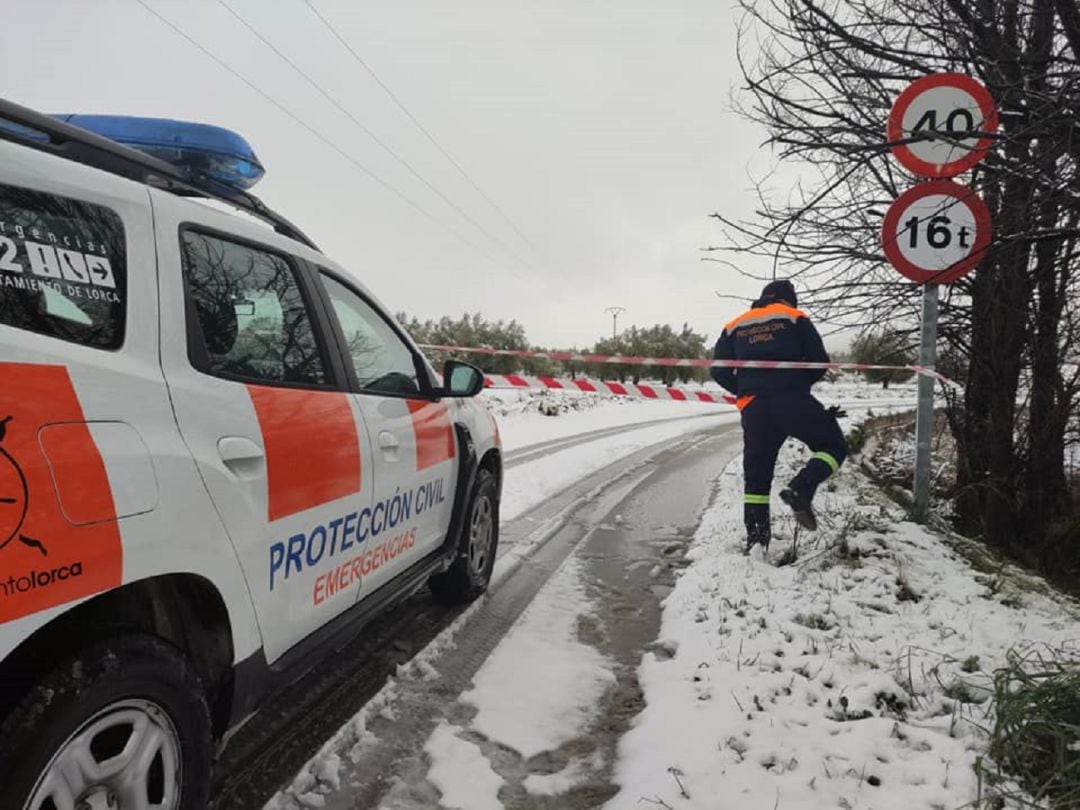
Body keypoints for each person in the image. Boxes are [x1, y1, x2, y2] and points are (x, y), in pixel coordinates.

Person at [711, 279, 846, 554]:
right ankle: (802, 486)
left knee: (756, 478)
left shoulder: (734, 325)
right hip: (793, 400)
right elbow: (819, 361)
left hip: (754, 409)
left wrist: (746, 390)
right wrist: (796, 385)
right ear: (789, 299)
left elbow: (718, 369)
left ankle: (757, 542)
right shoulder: (795, 318)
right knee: (833, 445)